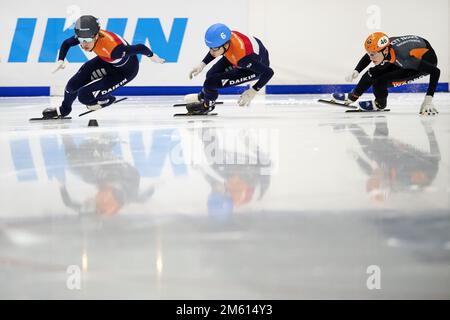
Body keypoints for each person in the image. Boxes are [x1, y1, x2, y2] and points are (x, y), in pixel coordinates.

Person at [42, 15, 165, 119]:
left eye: (88, 39)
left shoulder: (114, 48)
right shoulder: (86, 34)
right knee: (71, 86)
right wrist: (60, 60)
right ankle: (64, 110)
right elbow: (66, 43)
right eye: (81, 39)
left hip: (125, 71)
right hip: (106, 61)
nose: (84, 44)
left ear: (96, 35)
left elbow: (140, 47)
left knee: (84, 96)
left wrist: (153, 56)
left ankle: (106, 99)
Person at [333, 32, 440, 115]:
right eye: (370, 54)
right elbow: (370, 54)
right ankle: (352, 97)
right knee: (372, 72)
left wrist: (428, 100)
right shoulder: (385, 47)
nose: (370, 58)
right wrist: (357, 70)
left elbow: (436, 71)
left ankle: (379, 105)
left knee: (380, 82)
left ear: (384, 51)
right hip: (411, 52)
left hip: (424, 63)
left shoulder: (405, 58)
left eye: (373, 55)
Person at [185, 23, 274, 114]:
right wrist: (202, 64)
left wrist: (254, 90)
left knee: (210, 83)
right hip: (242, 54)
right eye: (210, 48)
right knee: (210, 75)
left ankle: (207, 106)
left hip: (253, 68)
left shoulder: (242, 58)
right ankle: (203, 96)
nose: (211, 52)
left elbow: (269, 72)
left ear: (225, 45)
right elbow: (214, 50)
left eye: (214, 49)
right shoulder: (226, 38)